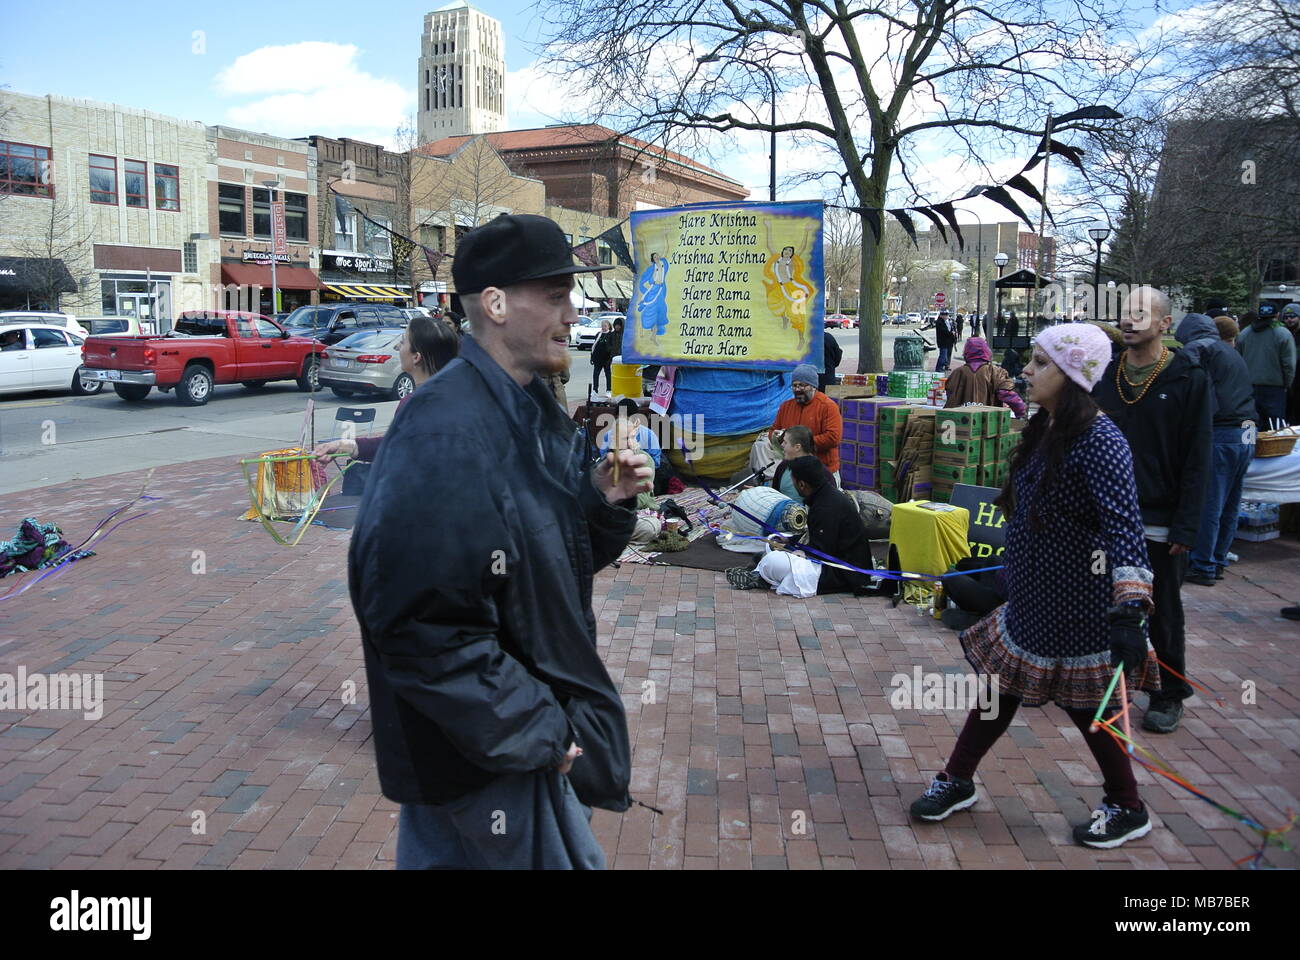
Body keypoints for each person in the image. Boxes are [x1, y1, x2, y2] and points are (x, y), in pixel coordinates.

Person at [348, 213, 653, 870]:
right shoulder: (449, 432)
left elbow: (543, 567)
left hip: (494, 744)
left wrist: (603, 503)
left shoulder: (527, 410)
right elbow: (421, 623)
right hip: (488, 759)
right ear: (494, 303)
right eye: (556, 296)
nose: (574, 313)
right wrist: (541, 730)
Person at [910, 323, 1161, 849]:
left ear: (1072, 375)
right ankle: (957, 779)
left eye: (1040, 363)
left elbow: (1124, 531)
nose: (1025, 371)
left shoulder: (1100, 441)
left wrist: (1130, 612)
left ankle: (1127, 806)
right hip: (1032, 602)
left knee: (1089, 708)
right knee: (998, 691)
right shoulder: (1046, 427)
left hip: (1081, 610)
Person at [1093, 286, 1211, 735]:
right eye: (1124, 313)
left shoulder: (1187, 378)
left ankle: (1168, 693)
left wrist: (1187, 523)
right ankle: (1104, 685)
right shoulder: (1104, 374)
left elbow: (1199, 458)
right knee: (1102, 602)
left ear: (1164, 324)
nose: (1128, 320)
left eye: (1140, 314)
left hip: (1160, 518)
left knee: (1161, 610)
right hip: (1105, 515)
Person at [1174, 313, 1258, 587]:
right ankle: (1217, 560)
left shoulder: (1198, 349)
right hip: (1246, 431)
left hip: (1221, 431)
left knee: (1210, 502)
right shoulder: (1230, 350)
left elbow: (1196, 393)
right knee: (1230, 503)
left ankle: (1203, 564)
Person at [312, 316, 459, 463]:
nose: (397, 348)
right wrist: (347, 445)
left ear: (416, 357)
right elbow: (397, 443)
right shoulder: (456, 396)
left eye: (402, 342)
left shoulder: (416, 404)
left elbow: (399, 451)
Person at [726, 456, 874, 597]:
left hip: (841, 573)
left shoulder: (825, 506)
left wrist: (793, 550)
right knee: (771, 552)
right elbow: (815, 536)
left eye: (794, 482)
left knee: (775, 561)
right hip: (833, 564)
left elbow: (819, 553)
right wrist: (789, 542)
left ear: (802, 484)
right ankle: (762, 575)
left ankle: (762, 576)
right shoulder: (824, 497)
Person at [771, 364, 843, 481]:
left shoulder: (828, 406)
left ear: (813, 386)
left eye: (802, 385)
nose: (797, 389)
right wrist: (778, 437)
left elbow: (833, 437)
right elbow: (773, 430)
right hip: (793, 472)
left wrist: (801, 444)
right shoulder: (786, 407)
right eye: (794, 386)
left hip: (823, 471)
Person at [1236, 304, 1296, 427]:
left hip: (1248, 389)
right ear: (1277, 315)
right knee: (1274, 428)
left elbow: (1237, 361)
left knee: (1250, 424)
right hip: (1275, 389)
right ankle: (1273, 447)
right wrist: (1287, 385)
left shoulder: (1244, 334)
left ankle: (1250, 446)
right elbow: (1289, 365)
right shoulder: (1283, 334)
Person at [943, 337, 1027, 417]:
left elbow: (950, 396)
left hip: (962, 421)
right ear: (986, 350)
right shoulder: (997, 372)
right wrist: (1021, 411)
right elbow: (1007, 394)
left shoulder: (957, 373)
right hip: (988, 422)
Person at [769, 425, 814, 502]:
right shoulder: (782, 467)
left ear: (797, 447)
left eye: (785, 442)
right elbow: (774, 496)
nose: (782, 445)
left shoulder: (820, 473)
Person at [589, 318, 615, 393]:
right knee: (596, 374)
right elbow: (595, 345)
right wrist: (592, 356)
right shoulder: (598, 334)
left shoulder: (611, 334)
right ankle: (595, 390)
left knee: (608, 374)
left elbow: (611, 346)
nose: (603, 327)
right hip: (598, 358)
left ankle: (609, 389)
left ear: (609, 326)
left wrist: (610, 356)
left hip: (606, 358)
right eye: (602, 326)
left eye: (605, 326)